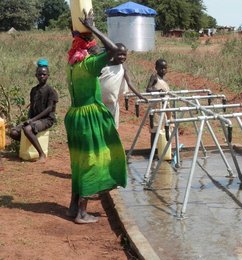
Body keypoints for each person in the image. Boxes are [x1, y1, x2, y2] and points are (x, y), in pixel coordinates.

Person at [65, 10, 127, 224]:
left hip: (74, 116)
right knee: (92, 160)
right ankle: (82, 212)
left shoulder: (72, 65)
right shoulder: (90, 65)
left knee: (79, 161)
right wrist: (93, 28)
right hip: (89, 116)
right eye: (92, 46)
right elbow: (114, 49)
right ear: (89, 50)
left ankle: (73, 207)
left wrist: (82, 32)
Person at [9, 59, 58, 163]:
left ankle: (42, 154)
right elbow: (32, 107)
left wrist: (32, 120)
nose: (42, 76)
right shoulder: (33, 90)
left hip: (47, 119)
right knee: (13, 132)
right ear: (36, 75)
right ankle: (27, 147)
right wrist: (28, 119)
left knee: (27, 129)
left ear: (48, 75)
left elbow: (49, 109)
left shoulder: (51, 91)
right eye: (39, 74)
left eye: (44, 74)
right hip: (35, 119)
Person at [99, 43, 147, 129]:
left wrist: (139, 95)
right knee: (100, 125)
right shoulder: (105, 65)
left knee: (112, 127)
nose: (122, 57)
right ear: (113, 53)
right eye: (119, 54)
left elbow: (129, 83)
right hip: (99, 102)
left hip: (113, 103)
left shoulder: (123, 67)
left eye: (124, 54)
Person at [146, 59, 172, 151]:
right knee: (155, 129)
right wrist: (158, 91)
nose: (163, 70)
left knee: (167, 127)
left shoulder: (165, 79)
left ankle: (166, 150)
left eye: (165, 68)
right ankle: (153, 150)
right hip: (157, 106)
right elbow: (148, 89)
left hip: (166, 105)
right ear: (156, 68)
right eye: (160, 68)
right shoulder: (154, 77)